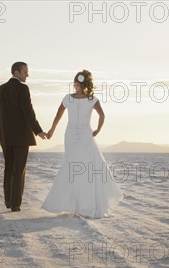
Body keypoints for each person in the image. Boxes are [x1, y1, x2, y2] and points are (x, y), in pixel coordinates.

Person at [42, 70, 123, 218]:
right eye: (74, 83)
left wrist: (97, 130)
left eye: (77, 83)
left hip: (84, 134)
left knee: (88, 167)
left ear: (83, 83)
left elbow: (102, 115)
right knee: (74, 166)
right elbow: (58, 116)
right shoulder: (72, 98)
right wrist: (51, 131)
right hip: (73, 135)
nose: (75, 86)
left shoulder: (89, 99)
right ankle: (75, 204)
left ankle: (88, 205)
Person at [0, 61, 48, 212]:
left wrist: (4, 131)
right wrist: (38, 131)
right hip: (21, 137)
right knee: (19, 170)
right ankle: (15, 204)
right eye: (25, 72)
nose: (27, 75)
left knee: (8, 168)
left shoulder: (0, 89)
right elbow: (28, 112)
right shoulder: (23, 89)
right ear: (16, 72)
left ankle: (7, 200)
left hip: (5, 136)